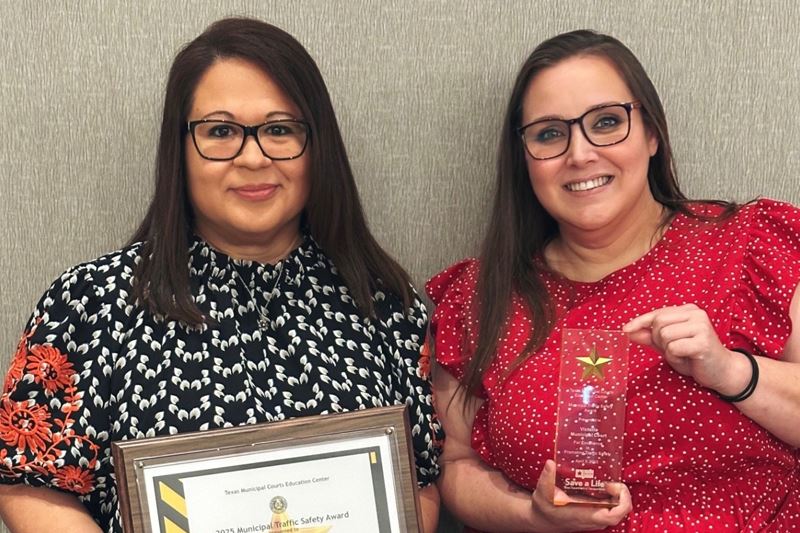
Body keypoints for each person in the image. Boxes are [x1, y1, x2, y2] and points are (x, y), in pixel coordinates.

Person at [0, 18, 440, 533]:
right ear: (180, 149)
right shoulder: (90, 303)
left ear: (316, 145)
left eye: (279, 129)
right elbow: (29, 484)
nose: (253, 157)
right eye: (221, 131)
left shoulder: (384, 298)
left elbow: (419, 479)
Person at [427, 29, 800, 532]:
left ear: (652, 133)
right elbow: (454, 467)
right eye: (549, 134)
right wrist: (533, 516)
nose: (579, 154)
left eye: (607, 122)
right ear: (524, 158)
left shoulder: (750, 245)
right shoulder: (477, 298)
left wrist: (733, 372)